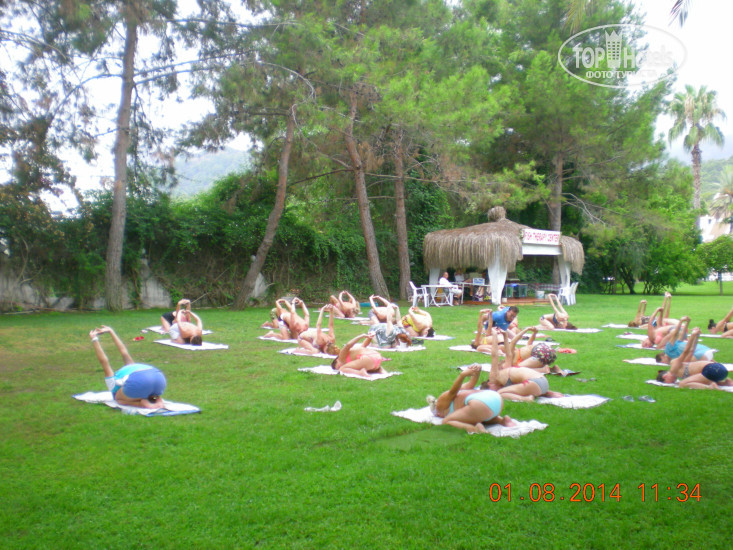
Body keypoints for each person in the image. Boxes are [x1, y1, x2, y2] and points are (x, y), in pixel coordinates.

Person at [426, 360, 516, 433]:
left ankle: (475, 429)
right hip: (496, 398)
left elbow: (452, 392)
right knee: (478, 416)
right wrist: (477, 371)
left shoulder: (441, 403)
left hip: (481, 403)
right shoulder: (462, 392)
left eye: (437, 414)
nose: (439, 415)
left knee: (446, 421)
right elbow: (472, 383)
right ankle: (502, 420)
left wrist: (463, 375)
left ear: (437, 410)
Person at [89, 326, 166, 409]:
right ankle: (156, 399)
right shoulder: (130, 367)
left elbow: (104, 362)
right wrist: (111, 331)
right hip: (159, 377)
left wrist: (94, 339)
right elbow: (124, 352)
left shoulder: (113, 384)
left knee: (118, 399)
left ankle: (141, 404)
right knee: (146, 391)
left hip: (140, 381)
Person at [481, 331, 565, 400]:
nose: (495, 391)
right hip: (543, 382)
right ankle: (547, 393)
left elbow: (495, 355)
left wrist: (495, 336)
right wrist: (505, 336)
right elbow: (508, 354)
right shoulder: (507, 370)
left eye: (492, 391)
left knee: (500, 393)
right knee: (508, 389)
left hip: (535, 382)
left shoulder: (494, 377)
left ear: (490, 384)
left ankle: (526, 399)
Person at [656, 328, 732, 390]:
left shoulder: (673, 367)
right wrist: (696, 336)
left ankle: (711, 387)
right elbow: (691, 351)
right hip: (720, 370)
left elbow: (686, 351)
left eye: (670, 382)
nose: (674, 381)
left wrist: (693, 335)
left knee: (682, 384)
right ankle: (725, 383)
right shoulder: (682, 367)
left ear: (664, 376)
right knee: (697, 381)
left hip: (711, 369)